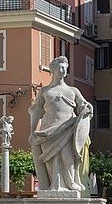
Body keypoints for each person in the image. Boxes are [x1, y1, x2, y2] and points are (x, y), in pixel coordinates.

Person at [29, 56, 93, 193]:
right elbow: (37, 110)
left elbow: (83, 107)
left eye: (65, 68)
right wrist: (32, 130)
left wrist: (87, 108)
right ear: (53, 69)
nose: (63, 70)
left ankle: (70, 183)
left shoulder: (73, 91)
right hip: (48, 130)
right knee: (50, 160)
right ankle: (54, 185)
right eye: (60, 67)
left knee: (68, 157)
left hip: (67, 128)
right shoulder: (45, 91)